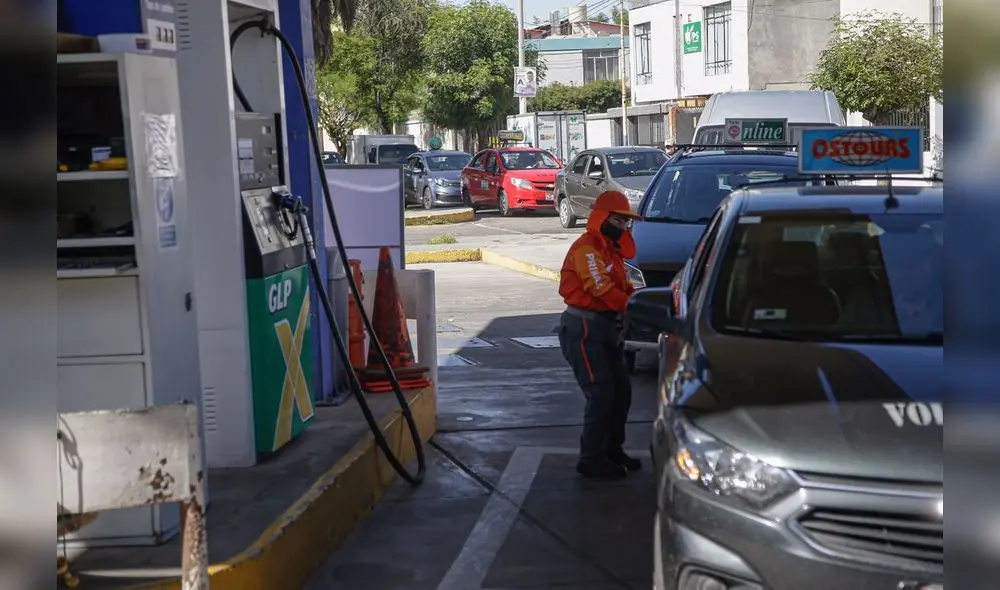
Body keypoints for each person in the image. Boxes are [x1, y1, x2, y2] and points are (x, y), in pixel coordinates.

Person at [557, 190, 642, 480]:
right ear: (604, 218)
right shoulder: (587, 248)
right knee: (601, 394)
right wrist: (632, 306)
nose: (624, 227)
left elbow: (623, 285)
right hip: (583, 329)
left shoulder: (611, 250)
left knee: (621, 393)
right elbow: (600, 288)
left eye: (626, 222)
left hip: (606, 327)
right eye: (619, 221)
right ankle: (592, 458)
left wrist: (634, 303)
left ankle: (611, 449)